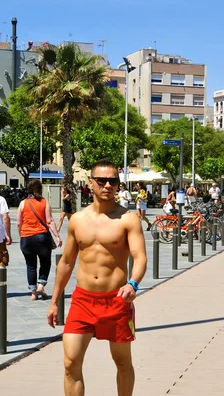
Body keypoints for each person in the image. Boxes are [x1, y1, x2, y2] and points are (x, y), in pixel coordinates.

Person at [47, 159, 147, 396]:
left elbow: (140, 257)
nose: (107, 185)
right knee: (71, 363)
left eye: (112, 181)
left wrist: (133, 284)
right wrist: (54, 301)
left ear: (118, 184)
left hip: (117, 300)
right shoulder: (77, 220)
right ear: (91, 183)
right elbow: (67, 262)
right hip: (83, 301)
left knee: (122, 363)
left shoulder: (128, 219)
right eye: (101, 180)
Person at [18, 179, 63, 300]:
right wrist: (57, 236)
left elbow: (19, 223)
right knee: (45, 262)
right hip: (42, 237)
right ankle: (41, 285)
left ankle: (33, 293)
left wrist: (21, 235)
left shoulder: (22, 203)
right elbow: (49, 221)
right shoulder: (44, 202)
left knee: (30, 265)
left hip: (26, 237)